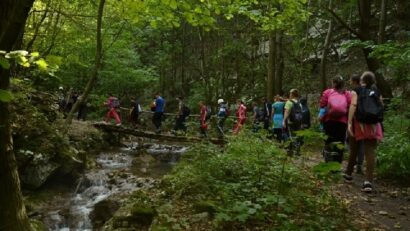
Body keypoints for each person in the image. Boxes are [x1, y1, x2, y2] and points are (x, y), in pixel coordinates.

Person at [344, 71, 383, 193]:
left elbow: (353, 105)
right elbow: (381, 106)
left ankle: (349, 174)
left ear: (362, 80)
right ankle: (368, 182)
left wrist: (349, 122)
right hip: (373, 125)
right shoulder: (376, 91)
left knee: (354, 148)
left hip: (358, 123)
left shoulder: (357, 90)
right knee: (370, 151)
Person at [320, 76, 351, 163]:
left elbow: (322, 105)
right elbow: (349, 106)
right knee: (340, 143)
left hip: (329, 121)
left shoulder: (327, 92)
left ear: (333, 83)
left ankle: (328, 162)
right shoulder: (347, 93)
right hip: (342, 122)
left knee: (329, 141)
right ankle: (337, 165)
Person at [349, 74, 365, 174]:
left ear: (354, 81)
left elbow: (352, 105)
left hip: (356, 120)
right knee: (362, 144)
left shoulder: (354, 92)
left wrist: (349, 121)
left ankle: (351, 167)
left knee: (353, 143)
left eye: (350, 80)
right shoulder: (366, 90)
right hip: (366, 120)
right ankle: (360, 165)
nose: (349, 82)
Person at [283, 89, 303, 155]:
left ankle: (295, 150)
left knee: (291, 135)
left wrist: (284, 121)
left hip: (291, 121)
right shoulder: (299, 103)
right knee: (297, 135)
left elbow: (286, 112)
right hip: (299, 121)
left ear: (292, 94)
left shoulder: (289, 102)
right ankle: (296, 150)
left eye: (290, 93)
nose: (289, 95)